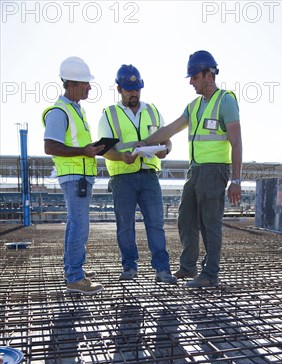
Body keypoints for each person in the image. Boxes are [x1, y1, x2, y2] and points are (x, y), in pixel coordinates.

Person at [139, 50, 242, 288]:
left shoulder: (225, 100)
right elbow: (172, 128)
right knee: (185, 219)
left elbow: (236, 141)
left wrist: (236, 180)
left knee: (210, 223)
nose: (191, 82)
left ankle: (210, 274)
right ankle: (188, 267)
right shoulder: (194, 106)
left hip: (215, 171)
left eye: (194, 77)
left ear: (208, 74)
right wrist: (146, 142)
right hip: (195, 171)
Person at [98, 64, 177, 284]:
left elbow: (167, 139)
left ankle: (163, 270)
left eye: (137, 89)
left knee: (156, 225)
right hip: (123, 178)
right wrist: (123, 157)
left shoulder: (152, 110)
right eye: (129, 89)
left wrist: (166, 150)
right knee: (125, 225)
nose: (134, 93)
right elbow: (104, 149)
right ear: (119, 89)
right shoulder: (109, 114)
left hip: (149, 176)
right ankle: (129, 267)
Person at [42, 56, 104, 295]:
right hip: (74, 177)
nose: (89, 87)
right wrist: (83, 152)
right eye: (85, 83)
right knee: (80, 226)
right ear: (71, 83)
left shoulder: (76, 110)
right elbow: (50, 146)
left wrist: (91, 150)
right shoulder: (60, 111)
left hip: (81, 176)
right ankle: (75, 277)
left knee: (74, 225)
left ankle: (73, 269)